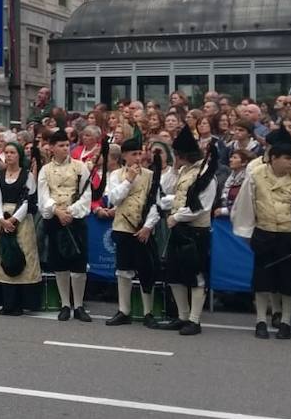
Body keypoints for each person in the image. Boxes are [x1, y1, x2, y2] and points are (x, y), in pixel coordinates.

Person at [230, 128, 291, 340]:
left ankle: (286, 322)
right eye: (287, 158)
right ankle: (261, 320)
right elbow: (244, 207)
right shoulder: (255, 177)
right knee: (262, 281)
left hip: (289, 236)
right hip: (265, 234)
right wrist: (249, 234)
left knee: (289, 283)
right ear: (274, 158)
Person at [157, 127, 218, 336]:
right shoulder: (184, 170)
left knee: (196, 276)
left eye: (177, 155)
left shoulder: (206, 174)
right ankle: (182, 316)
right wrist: (174, 171)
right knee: (174, 274)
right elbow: (171, 190)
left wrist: (176, 216)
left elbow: (201, 206)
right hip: (180, 229)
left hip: (196, 231)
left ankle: (194, 319)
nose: (175, 158)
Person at [104, 134, 161, 327]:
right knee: (123, 269)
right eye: (134, 154)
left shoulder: (151, 176)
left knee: (146, 270)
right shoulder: (116, 175)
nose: (138, 157)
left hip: (143, 229)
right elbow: (114, 199)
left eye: (140, 153)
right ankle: (124, 310)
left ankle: (148, 312)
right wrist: (128, 180)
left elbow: (156, 203)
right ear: (125, 156)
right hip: (122, 227)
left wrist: (148, 227)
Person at [38, 130, 91, 323]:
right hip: (55, 219)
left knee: (78, 265)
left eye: (66, 145)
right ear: (51, 148)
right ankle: (65, 304)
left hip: (75, 220)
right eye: (60, 145)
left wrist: (71, 211)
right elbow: (43, 196)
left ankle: (79, 305)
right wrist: (56, 211)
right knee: (59, 264)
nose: (64, 148)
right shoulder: (45, 170)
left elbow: (86, 195)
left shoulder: (80, 167)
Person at [0, 141, 40, 316]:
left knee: (21, 254)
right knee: (3, 255)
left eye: (12, 152)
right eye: (6, 152)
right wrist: (1, 219)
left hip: (20, 220)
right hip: (2, 218)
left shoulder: (27, 176)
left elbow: (27, 201)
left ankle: (19, 303)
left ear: (19, 155)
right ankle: (6, 302)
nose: (9, 156)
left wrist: (15, 219)